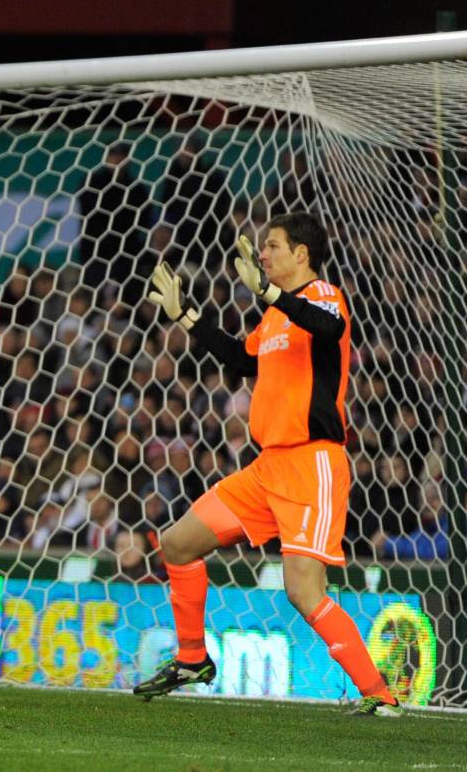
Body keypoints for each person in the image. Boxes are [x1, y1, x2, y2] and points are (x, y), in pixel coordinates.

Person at [140, 212, 402, 717]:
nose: (261, 255)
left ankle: (380, 696)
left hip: (312, 463)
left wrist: (271, 294)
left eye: (272, 246)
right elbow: (242, 362)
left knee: (302, 590)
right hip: (266, 469)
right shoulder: (275, 317)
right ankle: (193, 659)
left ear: (301, 254)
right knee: (176, 544)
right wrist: (186, 316)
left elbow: (329, 328)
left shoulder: (322, 295)